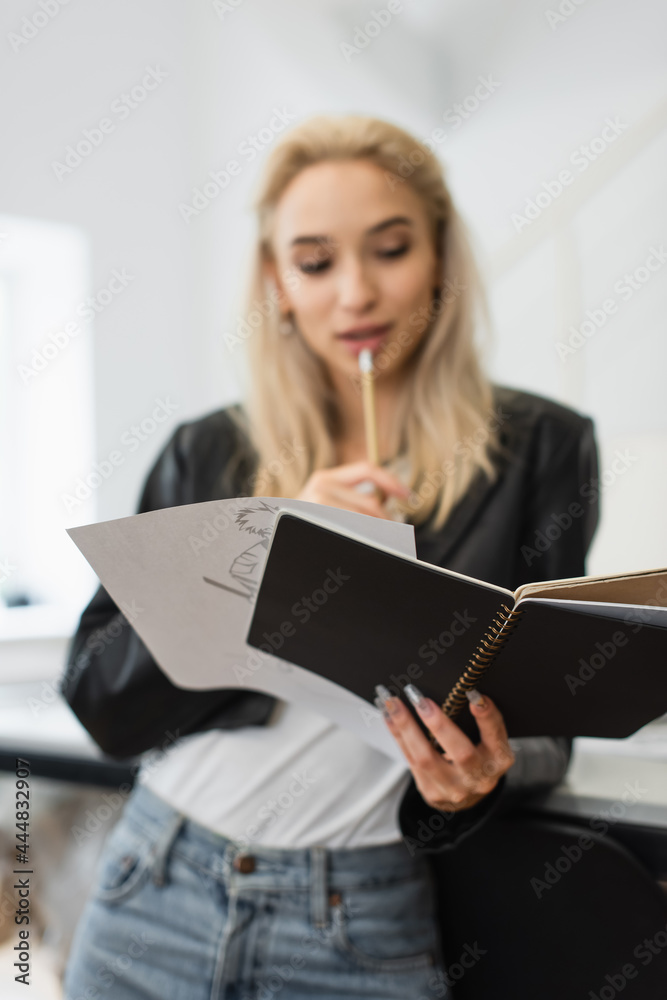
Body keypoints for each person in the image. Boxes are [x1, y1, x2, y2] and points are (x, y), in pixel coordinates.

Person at [61, 114, 599, 1000]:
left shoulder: (541, 448)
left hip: (358, 913)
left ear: (439, 259)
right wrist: (262, 552)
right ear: (278, 281)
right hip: (155, 880)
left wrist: (467, 786)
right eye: (315, 262)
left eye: (389, 249)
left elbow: (546, 727)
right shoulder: (207, 451)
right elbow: (102, 697)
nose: (354, 293)